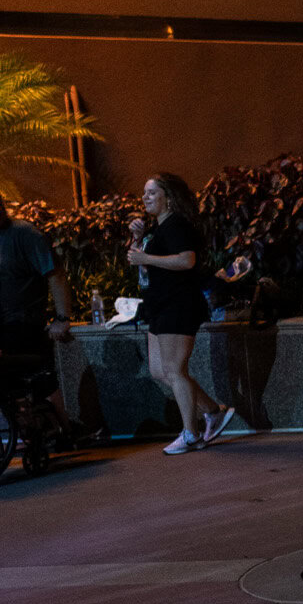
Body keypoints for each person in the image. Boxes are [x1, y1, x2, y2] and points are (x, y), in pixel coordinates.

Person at [126, 173, 233, 454]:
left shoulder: (176, 225)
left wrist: (146, 257)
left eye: (151, 193)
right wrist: (138, 238)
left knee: (174, 369)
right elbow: (138, 261)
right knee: (160, 370)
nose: (145, 198)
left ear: (169, 198)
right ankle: (212, 411)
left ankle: (191, 433)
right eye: (144, 193)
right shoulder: (158, 228)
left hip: (178, 305)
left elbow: (187, 260)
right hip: (158, 306)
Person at [0, 194, 80, 438]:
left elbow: (54, 275)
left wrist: (63, 317)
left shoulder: (25, 235)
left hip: (23, 320)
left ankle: (64, 429)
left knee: (37, 376)